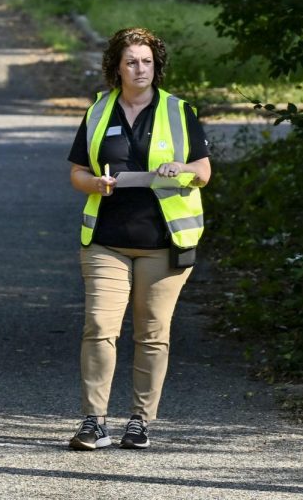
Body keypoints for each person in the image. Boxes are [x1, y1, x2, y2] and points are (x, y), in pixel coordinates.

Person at [66, 27, 211, 451]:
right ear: (117, 67)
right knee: (99, 327)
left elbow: (203, 173)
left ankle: (140, 421)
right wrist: (92, 183)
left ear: (156, 66)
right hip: (106, 241)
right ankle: (94, 421)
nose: (140, 68)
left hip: (163, 244)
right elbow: (76, 171)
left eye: (147, 61)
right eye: (131, 61)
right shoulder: (97, 111)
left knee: (152, 333)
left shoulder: (180, 111)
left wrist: (178, 168)